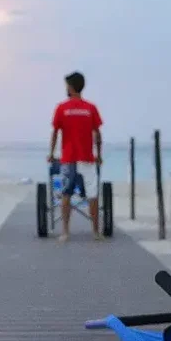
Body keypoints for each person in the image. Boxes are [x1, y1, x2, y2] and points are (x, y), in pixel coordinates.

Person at [48, 71, 103, 241]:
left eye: (66, 85)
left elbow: (55, 133)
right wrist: (98, 155)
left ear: (71, 87)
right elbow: (97, 134)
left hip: (69, 158)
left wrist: (51, 154)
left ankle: (65, 232)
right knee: (92, 195)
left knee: (66, 194)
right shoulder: (91, 108)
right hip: (87, 158)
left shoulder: (62, 108)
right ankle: (95, 232)